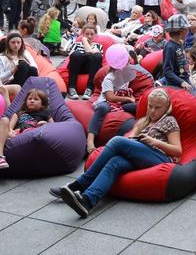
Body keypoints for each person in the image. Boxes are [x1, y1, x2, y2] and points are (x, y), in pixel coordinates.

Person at [52, 88, 181, 217]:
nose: (152, 111)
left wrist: (154, 142)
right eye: (150, 106)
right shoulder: (143, 121)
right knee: (115, 162)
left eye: (157, 108)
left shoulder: (169, 121)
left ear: (166, 108)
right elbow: (131, 139)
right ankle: (87, 201)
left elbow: (177, 151)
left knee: (117, 141)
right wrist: (134, 139)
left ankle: (80, 183)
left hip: (160, 157)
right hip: (140, 155)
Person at [0, 89, 53, 185]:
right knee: (1, 123)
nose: (32, 100)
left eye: (36, 99)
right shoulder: (20, 112)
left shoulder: (45, 112)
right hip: (16, 134)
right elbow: (10, 128)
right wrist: (11, 131)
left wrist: (44, 124)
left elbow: (54, 127)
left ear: (42, 104)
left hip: (30, 134)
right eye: (30, 98)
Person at [86, 63, 137, 153]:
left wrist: (130, 99)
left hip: (120, 104)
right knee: (102, 108)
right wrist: (128, 98)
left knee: (136, 106)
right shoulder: (109, 78)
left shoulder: (126, 76)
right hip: (106, 102)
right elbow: (110, 97)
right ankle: (90, 140)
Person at [66, 24, 104, 100]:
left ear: (95, 35)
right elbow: (71, 58)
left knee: (97, 56)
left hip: (91, 67)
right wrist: (83, 41)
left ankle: (90, 88)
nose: (89, 36)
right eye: (87, 34)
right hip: (77, 66)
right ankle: (72, 87)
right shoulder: (76, 44)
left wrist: (84, 41)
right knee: (76, 54)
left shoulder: (98, 46)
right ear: (83, 34)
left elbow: (91, 53)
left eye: (92, 34)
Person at [159, 14, 191, 89]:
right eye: (187, 29)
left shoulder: (181, 43)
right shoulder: (170, 47)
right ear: (181, 31)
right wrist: (181, 82)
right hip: (176, 84)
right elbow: (167, 71)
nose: (188, 31)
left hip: (185, 80)